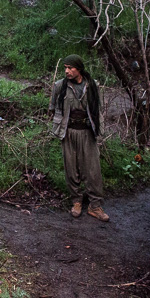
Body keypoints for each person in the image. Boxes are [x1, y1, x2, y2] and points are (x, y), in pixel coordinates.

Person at [49, 54, 109, 221]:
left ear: (79, 69)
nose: (67, 71)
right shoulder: (59, 86)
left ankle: (95, 205)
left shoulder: (92, 85)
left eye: (70, 68)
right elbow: (53, 108)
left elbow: (98, 108)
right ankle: (76, 201)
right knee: (71, 169)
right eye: (65, 68)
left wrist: (96, 126)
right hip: (68, 132)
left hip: (87, 132)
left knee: (93, 170)